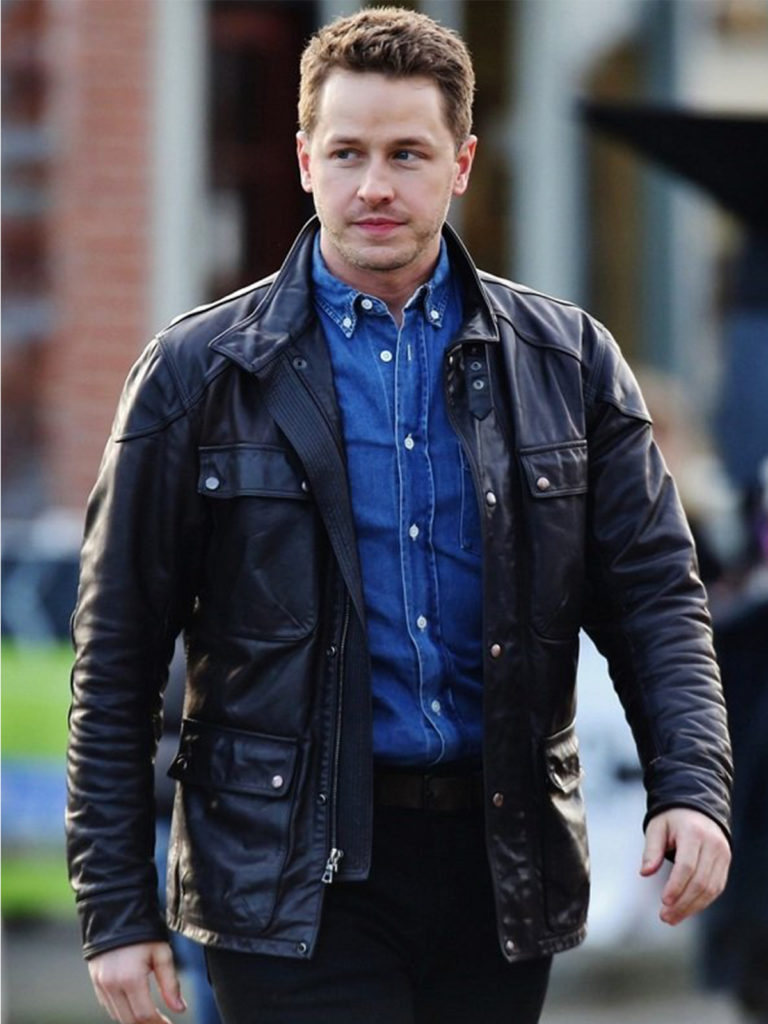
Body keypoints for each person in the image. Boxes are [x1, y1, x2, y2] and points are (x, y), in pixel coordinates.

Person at [66, 8, 733, 1024]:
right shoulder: (197, 376)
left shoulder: (568, 364)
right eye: (348, 153)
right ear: (306, 162)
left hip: (499, 868)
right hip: (286, 878)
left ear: (461, 164)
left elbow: (656, 602)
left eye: (407, 154)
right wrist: (116, 909)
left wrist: (691, 787)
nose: (375, 184)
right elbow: (115, 655)